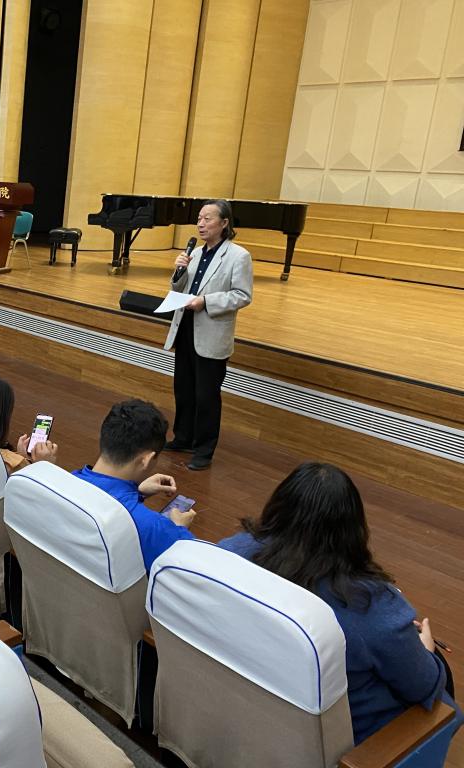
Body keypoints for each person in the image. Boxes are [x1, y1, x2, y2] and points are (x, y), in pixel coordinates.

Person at [217, 463, 462, 745]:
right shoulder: (372, 606)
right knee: (445, 704)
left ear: (278, 507)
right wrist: (425, 650)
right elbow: (422, 685)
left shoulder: (231, 551)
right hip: (345, 740)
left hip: (255, 698)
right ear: (353, 528)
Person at [164, 199, 253, 471]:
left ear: (224, 223)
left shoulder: (238, 256)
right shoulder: (194, 253)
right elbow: (179, 288)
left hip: (212, 333)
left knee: (206, 396)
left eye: (207, 219)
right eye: (199, 219)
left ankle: (203, 450)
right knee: (184, 389)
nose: (201, 224)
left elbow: (242, 295)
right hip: (186, 328)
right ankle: (183, 437)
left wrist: (206, 302)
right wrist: (179, 270)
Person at [73, 399, 196, 573]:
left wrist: (137, 493)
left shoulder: (63, 481)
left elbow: (103, 500)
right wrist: (179, 528)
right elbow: (192, 571)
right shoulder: (155, 529)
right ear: (146, 459)